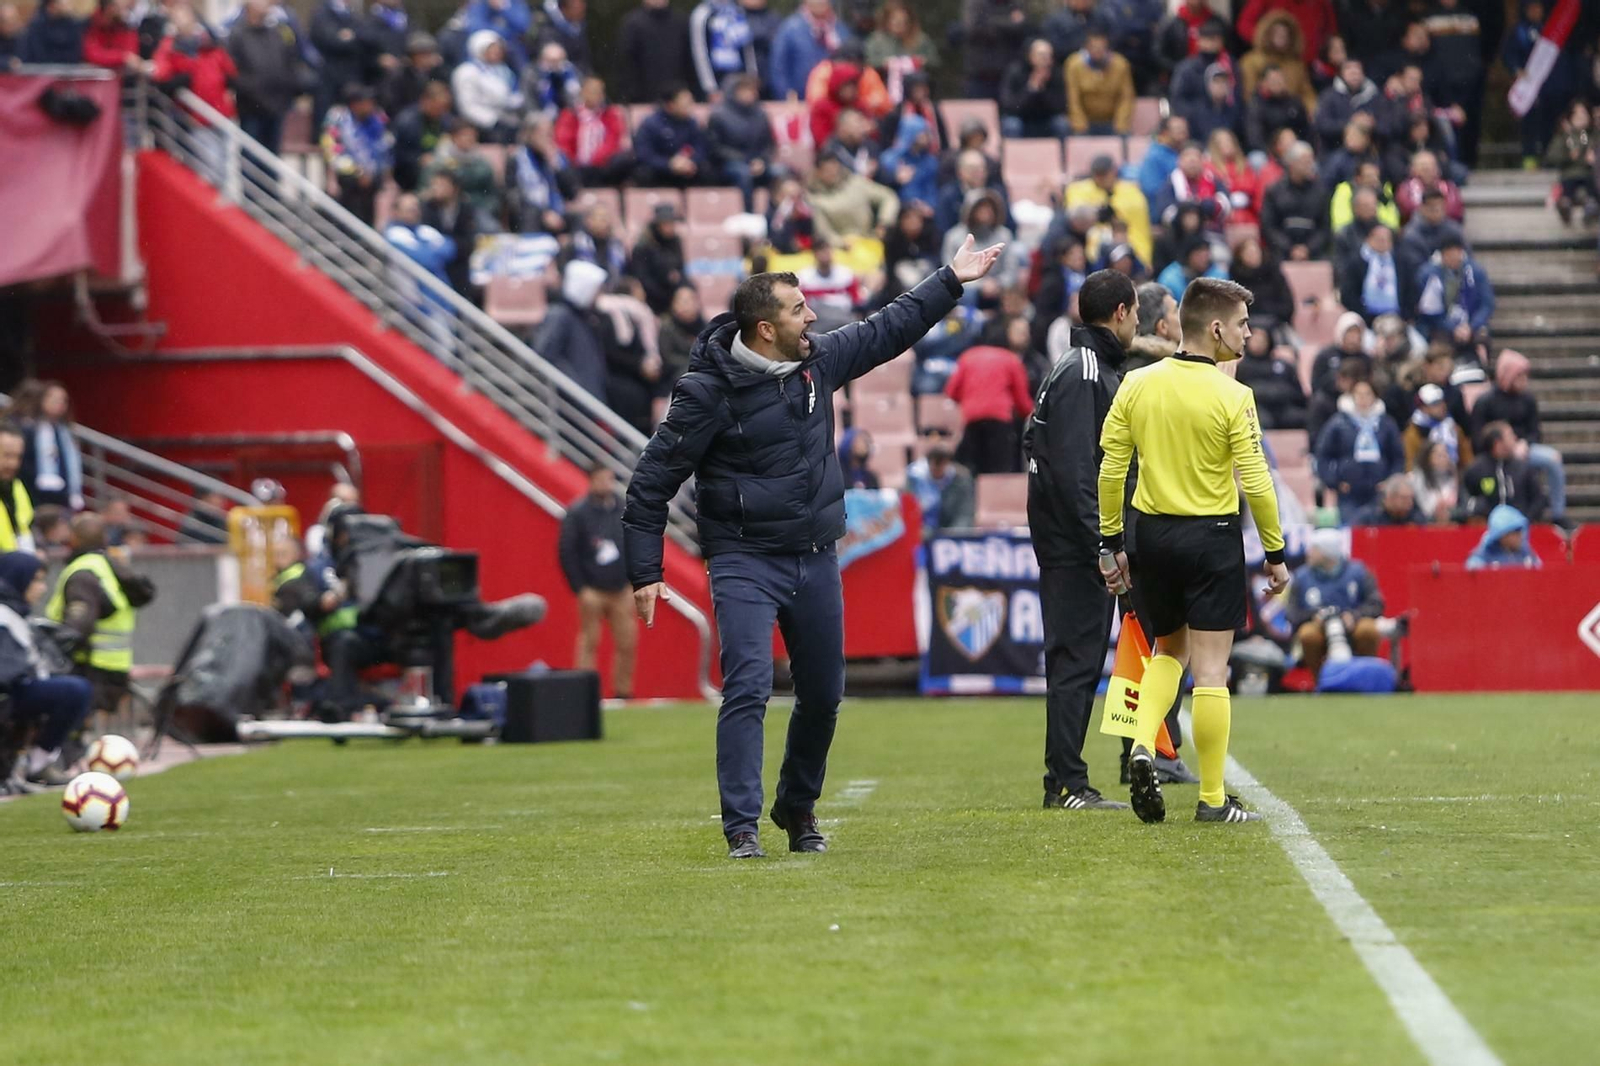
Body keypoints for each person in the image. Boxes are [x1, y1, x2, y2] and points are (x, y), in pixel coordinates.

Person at [622, 235, 1003, 858]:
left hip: (815, 554)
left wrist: (950, 278)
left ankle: (796, 808)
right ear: (766, 328)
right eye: (801, 309)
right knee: (747, 684)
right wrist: (646, 571)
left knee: (824, 694)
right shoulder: (705, 393)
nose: (814, 317)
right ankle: (741, 827)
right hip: (744, 557)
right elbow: (650, 483)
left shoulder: (816, 361)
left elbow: (888, 329)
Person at [1098, 277, 1289, 824]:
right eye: (1243, 325)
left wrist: (1111, 541)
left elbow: (1112, 469)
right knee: (1210, 672)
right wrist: (1274, 553)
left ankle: (1141, 747)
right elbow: (1256, 480)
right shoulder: (1233, 396)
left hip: (1151, 535)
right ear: (1216, 328)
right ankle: (1211, 800)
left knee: (1166, 653)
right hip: (1211, 538)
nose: (1249, 334)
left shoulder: (1136, 384)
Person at [1023, 270, 1142, 811]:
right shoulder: (1085, 371)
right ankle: (1066, 782)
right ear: (1119, 311)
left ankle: (1072, 778)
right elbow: (1074, 468)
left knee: (1082, 659)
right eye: (1136, 313)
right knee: (1075, 660)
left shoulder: (1076, 367)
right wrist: (1102, 541)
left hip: (1070, 540)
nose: (1137, 323)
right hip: (1076, 546)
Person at [46, 512, 155, 720]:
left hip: (89, 667)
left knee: (74, 732)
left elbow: (77, 626)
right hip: (114, 665)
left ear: (74, 538)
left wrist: (52, 653)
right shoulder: (110, 566)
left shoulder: (83, 572)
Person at [0, 552, 93, 790]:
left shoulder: (17, 611)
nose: (42, 588)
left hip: (19, 687)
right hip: (11, 692)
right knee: (74, 690)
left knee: (72, 686)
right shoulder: (4, 615)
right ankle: (35, 763)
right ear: (18, 579)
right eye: (37, 581)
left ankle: (36, 762)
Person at [558, 464, 637, 699]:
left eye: (609, 479)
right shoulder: (578, 512)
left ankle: (623, 692)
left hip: (621, 588)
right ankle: (584, 694)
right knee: (589, 641)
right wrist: (580, 587)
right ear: (591, 480)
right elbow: (566, 551)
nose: (606, 484)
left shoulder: (623, 508)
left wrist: (634, 580)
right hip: (592, 590)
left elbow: (635, 542)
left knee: (627, 642)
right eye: (601, 479)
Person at [1470, 350, 1565, 524]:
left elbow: (1535, 430)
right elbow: (1477, 435)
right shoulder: (1485, 401)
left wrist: (1524, 444)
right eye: (1519, 376)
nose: (1524, 381)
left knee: (1553, 459)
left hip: (1523, 447)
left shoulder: (1527, 399)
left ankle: (1558, 514)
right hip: (1494, 451)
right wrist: (1498, 448)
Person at [1284, 527, 1384, 680]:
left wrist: (1354, 615)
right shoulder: (1301, 577)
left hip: (1352, 625)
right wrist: (1313, 616)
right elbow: (1291, 613)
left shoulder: (1358, 572)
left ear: (1328, 552)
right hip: (1319, 626)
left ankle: (1365, 677)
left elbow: (1376, 603)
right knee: (1307, 634)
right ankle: (1320, 680)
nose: (1309, 552)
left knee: (1368, 629)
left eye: (1314, 548)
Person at [1315, 376, 1403, 522]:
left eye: (1367, 394)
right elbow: (1323, 455)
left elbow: (1397, 456)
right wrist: (1334, 481)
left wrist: (1390, 481)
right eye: (1359, 394)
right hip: (1349, 492)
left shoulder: (1386, 424)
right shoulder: (1338, 423)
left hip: (1379, 491)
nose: (1363, 399)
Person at [228, 0, 310, 154]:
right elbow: (232, 71)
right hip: (251, 107)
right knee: (251, 155)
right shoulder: (237, 34)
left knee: (273, 154)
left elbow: (290, 60)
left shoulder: (279, 31)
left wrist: (289, 90)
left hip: (276, 106)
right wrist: (252, 90)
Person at [944, 333, 1032, 475]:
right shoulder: (1011, 359)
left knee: (972, 469)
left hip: (972, 418)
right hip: (999, 419)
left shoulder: (968, 356)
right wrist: (1030, 413)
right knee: (999, 471)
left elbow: (951, 391)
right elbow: (1022, 400)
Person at [533, 260, 611, 403]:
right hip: (572, 404)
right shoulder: (560, 316)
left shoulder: (588, 320)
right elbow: (546, 355)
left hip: (589, 401)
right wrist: (576, 386)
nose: (599, 296)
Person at [322, 85, 393, 227]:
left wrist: (385, 177)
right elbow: (331, 148)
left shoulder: (377, 119)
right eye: (367, 102)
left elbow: (384, 147)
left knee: (371, 205)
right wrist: (356, 171)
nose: (371, 106)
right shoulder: (338, 117)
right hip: (346, 174)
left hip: (371, 176)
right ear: (355, 104)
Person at [1064, 155, 1153, 266]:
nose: (1101, 179)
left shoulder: (1132, 192)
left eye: (1105, 174)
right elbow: (1077, 213)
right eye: (1097, 175)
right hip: (1093, 256)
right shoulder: (1078, 190)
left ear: (1114, 172)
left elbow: (1129, 219)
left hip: (1132, 252)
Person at [707, 73, 776, 211]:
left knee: (780, 173)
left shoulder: (761, 114)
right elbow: (715, 148)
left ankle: (774, 217)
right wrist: (746, 160)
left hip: (758, 162)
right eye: (746, 90)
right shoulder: (718, 115)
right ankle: (749, 216)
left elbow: (769, 144)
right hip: (728, 164)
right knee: (743, 174)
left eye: (753, 90)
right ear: (735, 91)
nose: (751, 94)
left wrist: (762, 160)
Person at [1415, 234, 1494, 352]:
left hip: (1470, 323)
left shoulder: (1476, 272)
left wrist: (1471, 327)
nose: (1454, 258)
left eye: (1456, 253)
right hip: (1441, 326)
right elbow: (1429, 310)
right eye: (1449, 254)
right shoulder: (1429, 275)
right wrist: (1452, 328)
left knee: (1481, 341)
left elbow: (1487, 304)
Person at [14, 382, 82, 511]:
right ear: (42, 400)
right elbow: (24, 462)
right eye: (55, 399)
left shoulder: (66, 433)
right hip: (35, 496)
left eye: (64, 400)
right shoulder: (29, 429)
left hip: (62, 498)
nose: (60, 404)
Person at [553, 75, 630, 187]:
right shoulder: (570, 114)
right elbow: (563, 142)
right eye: (590, 92)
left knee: (623, 160)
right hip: (577, 166)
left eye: (597, 92)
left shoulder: (611, 114)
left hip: (603, 166)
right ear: (583, 93)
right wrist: (575, 161)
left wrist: (596, 160)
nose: (594, 96)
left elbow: (613, 141)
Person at [1462, 421, 1547, 523]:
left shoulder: (1524, 468)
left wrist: (1525, 521)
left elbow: (1538, 499)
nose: (1515, 438)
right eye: (1510, 435)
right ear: (1498, 443)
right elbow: (1466, 498)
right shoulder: (1475, 470)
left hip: (1520, 529)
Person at [807, 150, 898, 245]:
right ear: (818, 172)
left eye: (834, 168)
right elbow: (823, 231)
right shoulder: (814, 198)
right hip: (842, 249)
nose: (832, 173)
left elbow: (888, 197)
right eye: (827, 170)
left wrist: (884, 222)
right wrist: (841, 243)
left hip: (870, 239)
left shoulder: (856, 183)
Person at [1260, 140, 1330, 262]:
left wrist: (1308, 249)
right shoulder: (1274, 191)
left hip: (1314, 253)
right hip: (1281, 252)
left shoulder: (1321, 191)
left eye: (1311, 161)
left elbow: (1324, 228)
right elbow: (1269, 227)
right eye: (1305, 162)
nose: (1311, 165)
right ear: (1291, 164)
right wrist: (1289, 249)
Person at [451, 29, 524, 142]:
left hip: (506, 119)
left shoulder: (503, 70)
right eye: (491, 49)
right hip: (482, 126)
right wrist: (493, 122)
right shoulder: (467, 71)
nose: (497, 52)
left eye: (498, 49)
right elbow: (467, 106)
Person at [633, 84, 712, 188]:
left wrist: (690, 162)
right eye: (686, 104)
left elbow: (700, 147)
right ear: (671, 105)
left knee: (707, 170)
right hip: (660, 169)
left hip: (686, 166)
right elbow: (644, 154)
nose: (691, 107)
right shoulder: (650, 124)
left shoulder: (692, 123)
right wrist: (669, 164)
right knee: (643, 173)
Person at [1239, 10, 1316, 114]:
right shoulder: (1251, 61)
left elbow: (1307, 94)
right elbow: (1248, 94)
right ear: (1267, 34)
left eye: (1285, 33)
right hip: (1264, 117)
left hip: (1292, 116)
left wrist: (1312, 110)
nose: (1281, 36)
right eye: (1277, 32)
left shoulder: (1296, 65)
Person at [616, 0, 692, 105]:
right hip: (644, 101)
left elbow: (689, 62)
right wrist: (632, 98)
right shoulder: (632, 24)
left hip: (678, 101)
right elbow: (626, 65)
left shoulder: (681, 21)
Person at [862, 0, 937, 102]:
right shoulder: (876, 40)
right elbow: (868, 63)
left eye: (904, 22)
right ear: (887, 21)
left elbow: (935, 62)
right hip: (884, 92)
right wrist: (883, 64)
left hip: (917, 94)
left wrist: (923, 61)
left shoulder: (921, 39)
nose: (900, 25)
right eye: (896, 21)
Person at [1065, 26, 1134, 136]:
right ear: (1086, 47)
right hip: (1085, 123)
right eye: (1093, 47)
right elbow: (1073, 98)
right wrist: (1079, 124)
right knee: (1077, 138)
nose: (1097, 51)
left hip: (1112, 122)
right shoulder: (1074, 64)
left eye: (1101, 47)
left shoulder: (1121, 64)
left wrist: (1121, 123)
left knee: (1125, 137)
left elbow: (1126, 97)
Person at [1235, 326, 1307, 430]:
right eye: (1255, 339)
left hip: (1283, 407)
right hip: (1256, 408)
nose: (1259, 343)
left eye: (1262, 339)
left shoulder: (1283, 365)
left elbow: (1297, 392)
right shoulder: (1241, 368)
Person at [766, 0, 838, 101]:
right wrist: (785, 93)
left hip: (832, 99)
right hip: (798, 98)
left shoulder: (839, 29)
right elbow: (778, 66)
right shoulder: (790, 28)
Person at [957, 0, 1030, 100]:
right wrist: (1009, 22)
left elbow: (1022, 28)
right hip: (981, 76)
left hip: (1007, 75)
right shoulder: (976, 3)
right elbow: (973, 30)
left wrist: (991, 22)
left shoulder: (1015, 3)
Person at [999, 38, 1068, 140]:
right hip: (1021, 117)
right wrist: (1031, 88)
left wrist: (1042, 90)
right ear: (1030, 56)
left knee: (1061, 124)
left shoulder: (1056, 74)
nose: (1046, 59)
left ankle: (1062, 156)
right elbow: (1009, 106)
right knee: (1011, 125)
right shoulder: (1015, 71)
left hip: (1045, 118)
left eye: (1049, 55)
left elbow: (1060, 106)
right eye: (1041, 55)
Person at [391, 81, 453, 191]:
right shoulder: (407, 121)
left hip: (439, 166)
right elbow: (397, 154)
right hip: (410, 175)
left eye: (444, 107)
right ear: (425, 101)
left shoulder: (445, 120)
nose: (441, 111)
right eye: (438, 107)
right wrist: (418, 159)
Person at [906, 439, 976, 534]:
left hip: (951, 533)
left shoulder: (962, 481)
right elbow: (909, 513)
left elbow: (965, 514)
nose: (937, 470)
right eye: (934, 466)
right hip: (923, 534)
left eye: (942, 465)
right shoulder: (915, 480)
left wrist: (953, 535)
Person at [1545, 99, 1596, 225]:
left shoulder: (1594, 135)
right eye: (1576, 115)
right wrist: (1568, 156)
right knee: (1568, 184)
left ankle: (1591, 206)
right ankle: (1565, 205)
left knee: (1591, 185)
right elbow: (1552, 156)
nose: (1580, 118)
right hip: (1569, 174)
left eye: (1583, 114)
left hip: (1590, 174)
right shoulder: (1564, 136)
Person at [629, 206, 687, 317]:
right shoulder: (643, 246)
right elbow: (642, 277)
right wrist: (667, 295)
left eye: (672, 223)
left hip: (673, 295)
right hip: (652, 298)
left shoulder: (675, 242)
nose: (670, 227)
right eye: (666, 223)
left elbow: (680, 269)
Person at [1403, 381, 1471, 471]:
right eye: (1435, 404)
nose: (1442, 406)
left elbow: (1466, 457)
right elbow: (1410, 464)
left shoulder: (1452, 427)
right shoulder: (1413, 432)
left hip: (1454, 476)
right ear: (1423, 408)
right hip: (1426, 478)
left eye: (1442, 402)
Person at [1244, 64, 1311, 153]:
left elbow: (1306, 130)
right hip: (1268, 151)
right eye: (1273, 80)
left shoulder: (1294, 102)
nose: (1278, 83)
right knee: (1257, 159)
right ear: (1263, 83)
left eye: (1280, 79)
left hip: (1294, 149)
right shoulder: (1256, 105)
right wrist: (1273, 153)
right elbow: (1255, 138)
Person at [381, 32, 448, 117]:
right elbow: (391, 104)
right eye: (423, 54)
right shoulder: (399, 76)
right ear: (413, 56)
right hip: (406, 118)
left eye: (430, 54)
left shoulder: (438, 73)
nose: (427, 58)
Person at [1393, 149, 1464, 223]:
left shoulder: (1449, 187)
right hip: (1417, 228)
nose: (1428, 170)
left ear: (1437, 169)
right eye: (1423, 167)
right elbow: (1407, 209)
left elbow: (1455, 209)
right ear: (1412, 170)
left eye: (1431, 166)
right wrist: (1431, 213)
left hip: (1444, 226)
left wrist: (1436, 214)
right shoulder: (1405, 188)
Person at [657, 283, 705, 387]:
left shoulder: (706, 326)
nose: (685, 305)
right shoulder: (667, 327)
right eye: (680, 301)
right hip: (675, 377)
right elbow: (668, 358)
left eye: (688, 301)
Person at [1466, 504, 1540, 570]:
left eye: (1520, 531)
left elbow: (1538, 568)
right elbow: (1472, 568)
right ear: (1503, 535)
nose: (1520, 536)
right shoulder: (1485, 553)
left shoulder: (1525, 551)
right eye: (1515, 532)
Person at [0, 423, 36, 554]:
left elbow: (25, 528)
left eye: (18, 457)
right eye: (7, 455)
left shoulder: (17, 487)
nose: (13, 463)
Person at [1407, 438, 1459, 523]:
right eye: (1439, 455)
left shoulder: (1454, 477)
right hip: (1423, 524)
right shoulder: (1414, 479)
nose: (1444, 458)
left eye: (1445, 454)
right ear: (1427, 457)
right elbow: (1420, 509)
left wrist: (1450, 513)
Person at [18, 0, 85, 65]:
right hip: (41, 71)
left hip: (68, 70)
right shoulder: (37, 26)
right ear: (51, 5)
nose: (67, 3)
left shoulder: (73, 25)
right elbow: (38, 54)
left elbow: (75, 53)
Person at [1158, 237, 1226, 300]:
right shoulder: (1170, 278)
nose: (1204, 259)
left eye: (1206, 255)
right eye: (1199, 255)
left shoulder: (1218, 276)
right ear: (1189, 255)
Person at [1353, 474, 1426, 525]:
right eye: (1404, 498)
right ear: (1389, 497)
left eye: (1411, 498)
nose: (1409, 503)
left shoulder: (1415, 518)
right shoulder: (1370, 518)